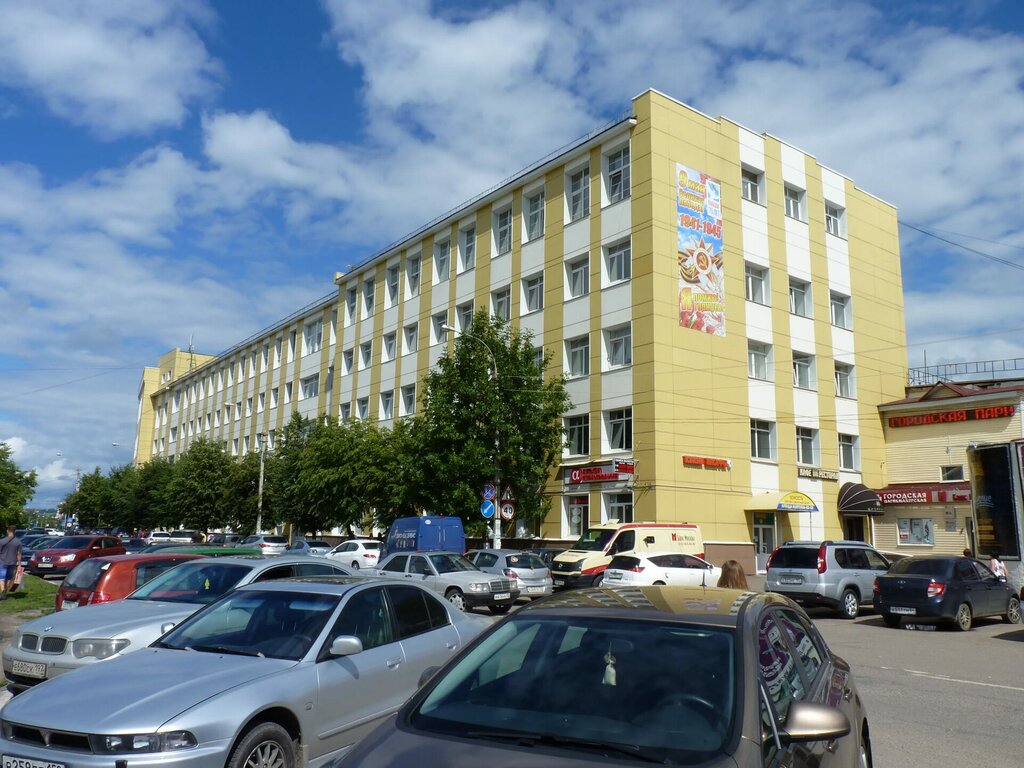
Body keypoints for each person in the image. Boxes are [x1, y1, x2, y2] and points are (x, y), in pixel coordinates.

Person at [0, 527, 23, 599]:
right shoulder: (18, 542)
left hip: (3, 562)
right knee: (8, 578)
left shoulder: (2, 541)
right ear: (14, 531)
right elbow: (19, 554)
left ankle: (3, 591)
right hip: (12, 563)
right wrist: (19, 564)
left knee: (2, 578)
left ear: (8, 531)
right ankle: (4, 593)